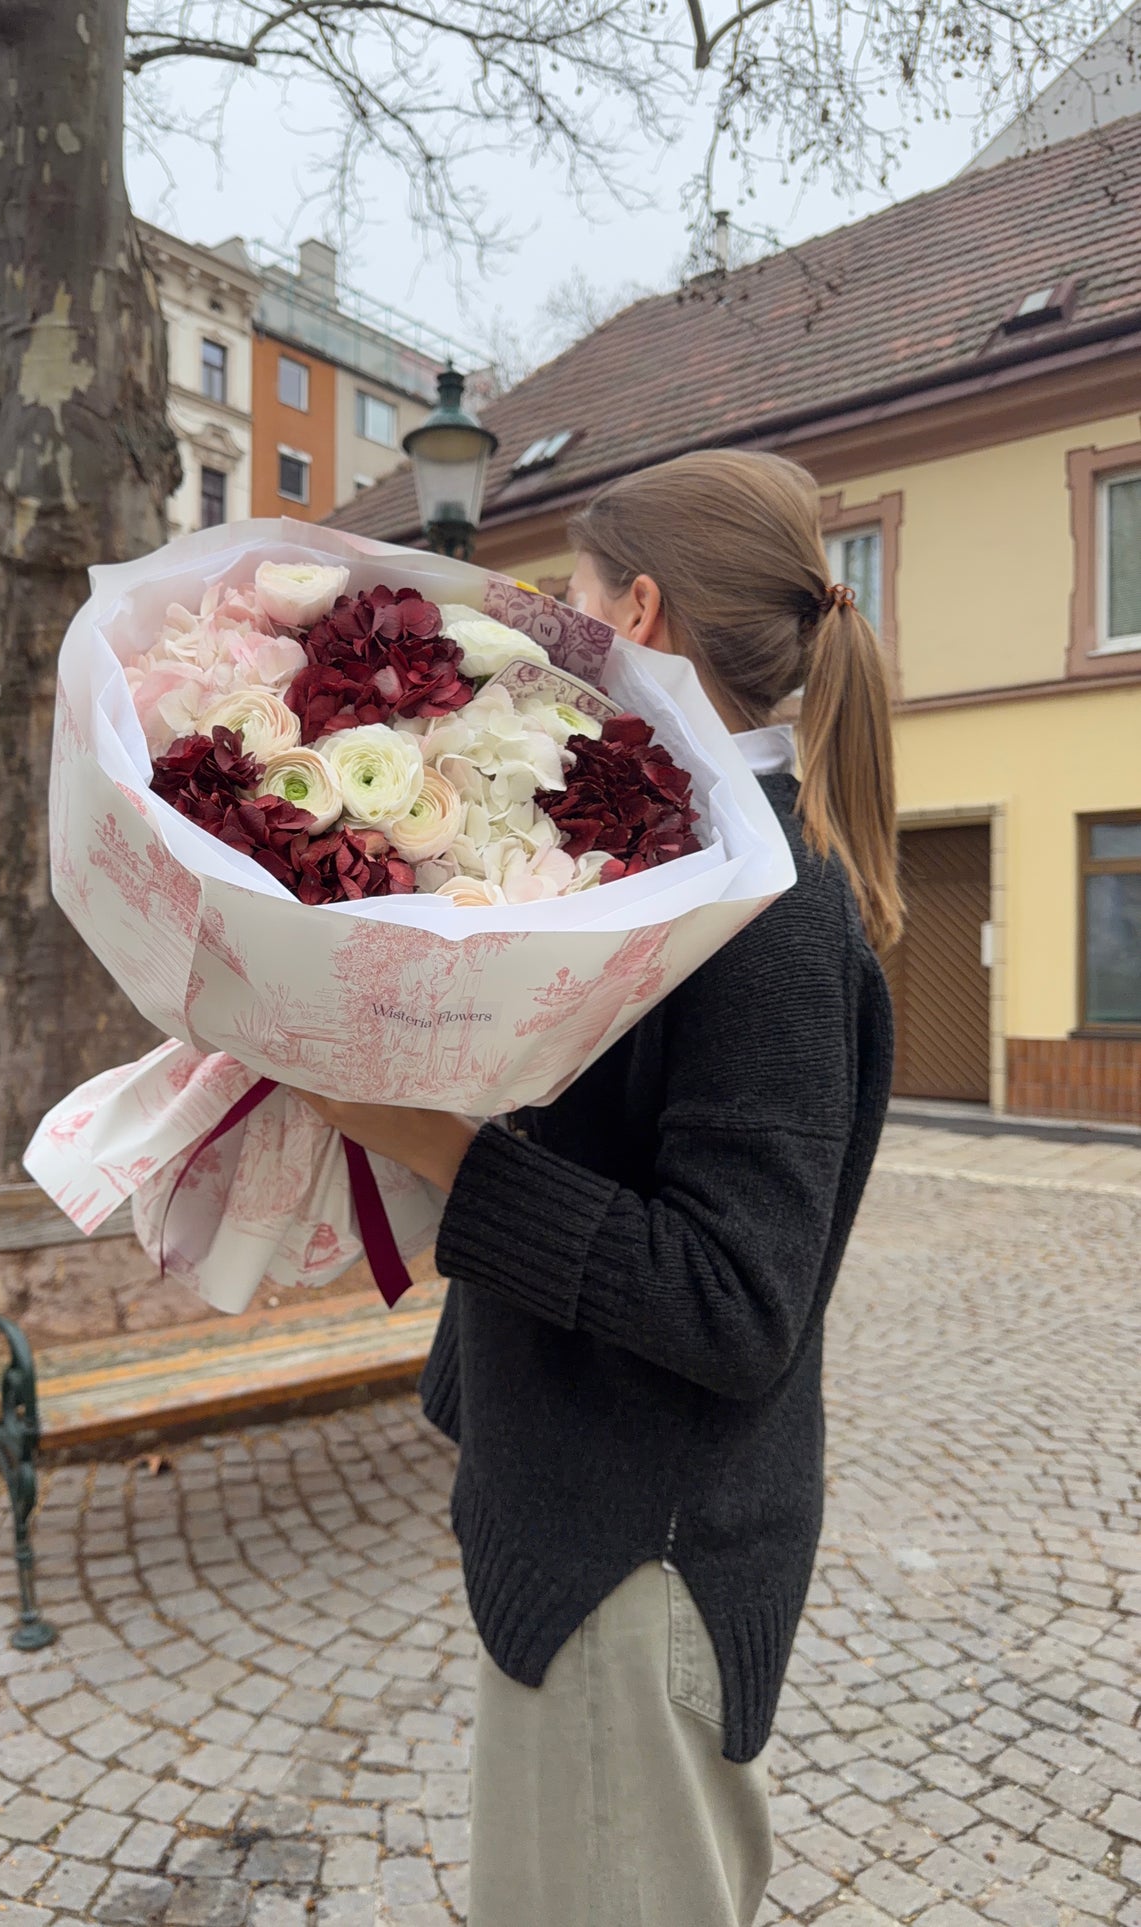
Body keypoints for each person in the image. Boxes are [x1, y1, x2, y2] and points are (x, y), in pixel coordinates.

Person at [299, 448, 899, 1927]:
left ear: (637, 610)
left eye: (567, 603)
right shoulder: (670, 870)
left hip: (637, 1564)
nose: (551, 638)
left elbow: (731, 1298)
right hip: (588, 1531)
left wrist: (431, 1142)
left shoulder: (763, 912)